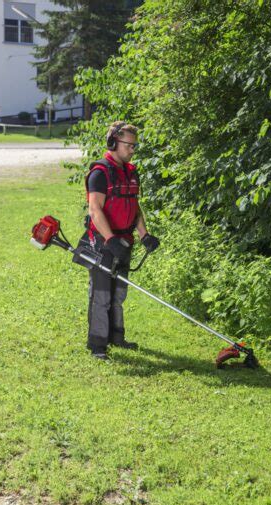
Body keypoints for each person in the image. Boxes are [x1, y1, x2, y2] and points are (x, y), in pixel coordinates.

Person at [84, 121, 160, 360]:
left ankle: (117, 337)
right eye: (129, 145)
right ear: (113, 143)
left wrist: (143, 234)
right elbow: (95, 210)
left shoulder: (131, 172)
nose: (132, 150)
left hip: (125, 241)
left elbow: (134, 206)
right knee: (102, 294)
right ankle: (97, 345)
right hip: (102, 242)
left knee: (119, 294)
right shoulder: (100, 173)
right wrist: (110, 239)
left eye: (134, 146)